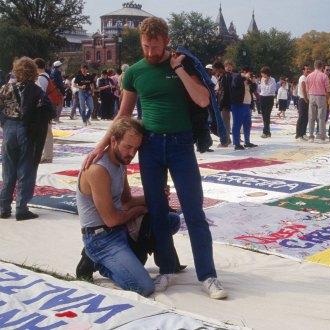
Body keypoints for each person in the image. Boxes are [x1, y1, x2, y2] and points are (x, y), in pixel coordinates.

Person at [84, 17, 227, 299]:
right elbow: (123, 113)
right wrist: (101, 145)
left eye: (156, 46)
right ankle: (166, 268)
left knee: (193, 210)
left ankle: (208, 275)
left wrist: (178, 70)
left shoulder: (182, 64)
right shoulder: (134, 72)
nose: (150, 52)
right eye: (146, 46)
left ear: (166, 41)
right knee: (157, 210)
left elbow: (202, 100)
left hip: (180, 144)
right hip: (149, 146)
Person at [76, 118, 186, 284]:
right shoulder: (98, 169)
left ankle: (133, 256)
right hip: (101, 236)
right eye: (128, 146)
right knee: (143, 286)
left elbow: (126, 201)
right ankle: (96, 261)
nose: (131, 153)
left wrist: (155, 196)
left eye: (136, 148)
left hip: (119, 228)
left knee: (170, 220)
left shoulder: (120, 161)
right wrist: (142, 210)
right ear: (113, 141)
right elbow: (112, 219)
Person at [0, 57, 54, 221]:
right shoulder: (36, 90)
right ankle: (22, 208)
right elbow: (48, 110)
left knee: (8, 170)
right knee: (26, 168)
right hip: (28, 131)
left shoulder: (5, 88)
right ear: (33, 72)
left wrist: (4, 121)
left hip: (9, 129)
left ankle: (3, 207)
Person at [230, 66, 258, 150]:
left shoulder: (247, 80)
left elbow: (253, 90)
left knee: (247, 124)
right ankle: (236, 143)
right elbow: (235, 83)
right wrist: (244, 77)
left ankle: (247, 142)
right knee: (237, 123)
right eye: (249, 73)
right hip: (238, 104)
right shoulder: (236, 76)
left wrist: (253, 82)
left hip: (247, 104)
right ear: (244, 72)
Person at [34, 58, 54, 164]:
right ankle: (47, 155)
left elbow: (40, 93)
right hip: (46, 107)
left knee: (46, 132)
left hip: (43, 108)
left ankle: (47, 156)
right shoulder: (45, 76)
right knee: (46, 131)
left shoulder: (41, 78)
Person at [305, 60, 330, 143]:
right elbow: (328, 89)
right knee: (321, 117)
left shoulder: (309, 76)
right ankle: (321, 137)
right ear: (322, 67)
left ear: (314, 66)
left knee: (311, 117)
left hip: (311, 96)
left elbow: (307, 88)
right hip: (321, 96)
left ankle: (311, 136)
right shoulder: (324, 76)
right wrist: (326, 99)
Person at [258, 66, 276, 138]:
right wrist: (264, 83)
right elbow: (261, 89)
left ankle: (265, 132)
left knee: (267, 114)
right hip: (262, 97)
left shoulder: (272, 80)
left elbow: (270, 90)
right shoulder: (262, 79)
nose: (262, 75)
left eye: (263, 73)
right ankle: (268, 132)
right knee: (263, 115)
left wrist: (266, 83)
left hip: (269, 98)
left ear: (266, 73)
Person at [295, 65, 311, 141]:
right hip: (303, 99)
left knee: (306, 117)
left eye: (308, 69)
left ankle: (303, 133)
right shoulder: (302, 78)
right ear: (303, 70)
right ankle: (298, 135)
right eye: (306, 69)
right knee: (301, 117)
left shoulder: (307, 78)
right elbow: (303, 89)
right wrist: (305, 99)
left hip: (307, 99)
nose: (308, 70)